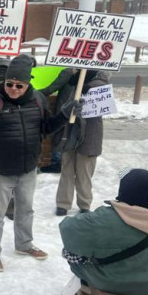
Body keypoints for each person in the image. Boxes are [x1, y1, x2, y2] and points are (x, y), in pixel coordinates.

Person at [0, 54, 82, 272]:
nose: (14, 88)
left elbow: (46, 128)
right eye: (9, 84)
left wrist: (65, 114)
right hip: (0, 170)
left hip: (27, 169)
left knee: (26, 210)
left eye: (19, 85)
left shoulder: (37, 100)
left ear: (27, 84)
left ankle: (24, 244)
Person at [60, 168, 148, 295]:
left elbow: (67, 230)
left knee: (73, 255)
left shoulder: (104, 220)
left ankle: (86, 290)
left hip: (110, 282)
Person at [45, 70, 110, 216]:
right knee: (67, 170)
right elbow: (67, 104)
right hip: (71, 132)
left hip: (89, 135)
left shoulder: (98, 80)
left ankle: (84, 204)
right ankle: (63, 204)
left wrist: (89, 87)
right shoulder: (75, 80)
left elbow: (104, 93)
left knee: (84, 172)